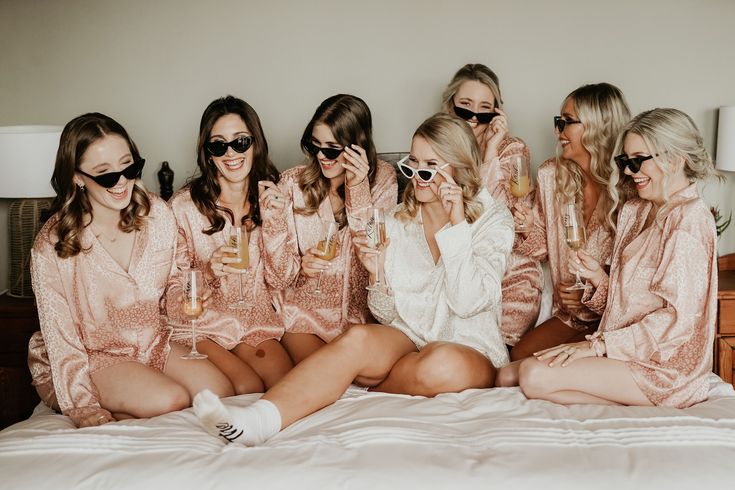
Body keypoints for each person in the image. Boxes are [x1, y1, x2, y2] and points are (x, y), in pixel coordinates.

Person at [192, 112, 513, 445]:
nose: (416, 176)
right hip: (409, 339)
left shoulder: (493, 221)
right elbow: (387, 315)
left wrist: (457, 227)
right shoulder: (397, 219)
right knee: (358, 337)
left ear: (458, 169)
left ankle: (344, 398)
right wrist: (376, 274)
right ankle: (257, 421)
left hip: (468, 346)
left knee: (442, 364)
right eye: (412, 164)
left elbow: (468, 301)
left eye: (429, 167)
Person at [27, 113, 232, 428]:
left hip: (151, 343)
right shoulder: (51, 246)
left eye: (130, 167)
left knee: (221, 392)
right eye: (106, 175)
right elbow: (61, 336)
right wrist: (81, 405)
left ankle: (128, 410)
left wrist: (197, 290)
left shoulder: (158, 215)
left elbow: (175, 290)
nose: (122, 182)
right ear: (77, 177)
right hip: (92, 355)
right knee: (170, 400)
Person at [518, 108, 719, 408]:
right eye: (625, 161)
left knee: (532, 375)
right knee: (510, 376)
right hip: (628, 352)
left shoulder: (689, 221)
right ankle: (622, 403)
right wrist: (599, 279)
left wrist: (598, 347)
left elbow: (677, 321)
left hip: (663, 368)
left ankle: (657, 403)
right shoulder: (636, 210)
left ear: (675, 160)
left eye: (637, 161)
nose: (627, 171)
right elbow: (628, 305)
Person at [168, 96, 293, 393]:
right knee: (245, 387)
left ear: (256, 144)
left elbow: (283, 278)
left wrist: (275, 223)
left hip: (257, 324)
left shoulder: (274, 197)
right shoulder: (183, 207)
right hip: (204, 326)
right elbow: (170, 291)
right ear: (208, 153)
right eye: (218, 145)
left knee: (285, 388)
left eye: (240, 142)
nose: (230, 153)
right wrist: (208, 274)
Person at [260, 94, 397, 364]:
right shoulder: (291, 183)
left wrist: (357, 188)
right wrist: (301, 267)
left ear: (358, 146)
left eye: (332, 149)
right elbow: (277, 277)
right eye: (315, 147)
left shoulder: (383, 179)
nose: (322, 157)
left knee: (359, 375)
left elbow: (373, 245)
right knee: (328, 373)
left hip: (360, 321)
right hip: (302, 319)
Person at [507, 83, 631, 363]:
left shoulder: (632, 189)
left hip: (616, 320)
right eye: (557, 121)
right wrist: (528, 229)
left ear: (600, 127)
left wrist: (591, 293)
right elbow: (542, 251)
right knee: (517, 359)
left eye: (567, 122)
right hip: (571, 316)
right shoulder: (551, 176)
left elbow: (637, 281)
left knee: (545, 367)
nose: (558, 130)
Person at [442, 63, 542, 346]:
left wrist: (490, 151)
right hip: (459, 267)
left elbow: (500, 219)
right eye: (465, 105)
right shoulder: (438, 148)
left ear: (497, 112)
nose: (474, 115)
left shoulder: (512, 150)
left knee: (490, 345)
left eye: (484, 107)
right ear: (450, 106)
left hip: (509, 273)